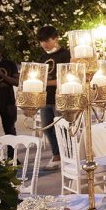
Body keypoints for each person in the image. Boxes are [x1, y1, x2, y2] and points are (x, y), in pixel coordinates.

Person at [36, 25, 71, 169]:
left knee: (62, 128)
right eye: (41, 41)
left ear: (55, 38)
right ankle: (56, 155)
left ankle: (68, 156)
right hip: (46, 98)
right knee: (47, 128)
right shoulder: (42, 57)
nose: (44, 44)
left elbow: (67, 77)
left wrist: (46, 82)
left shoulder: (65, 55)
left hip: (61, 97)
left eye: (46, 40)